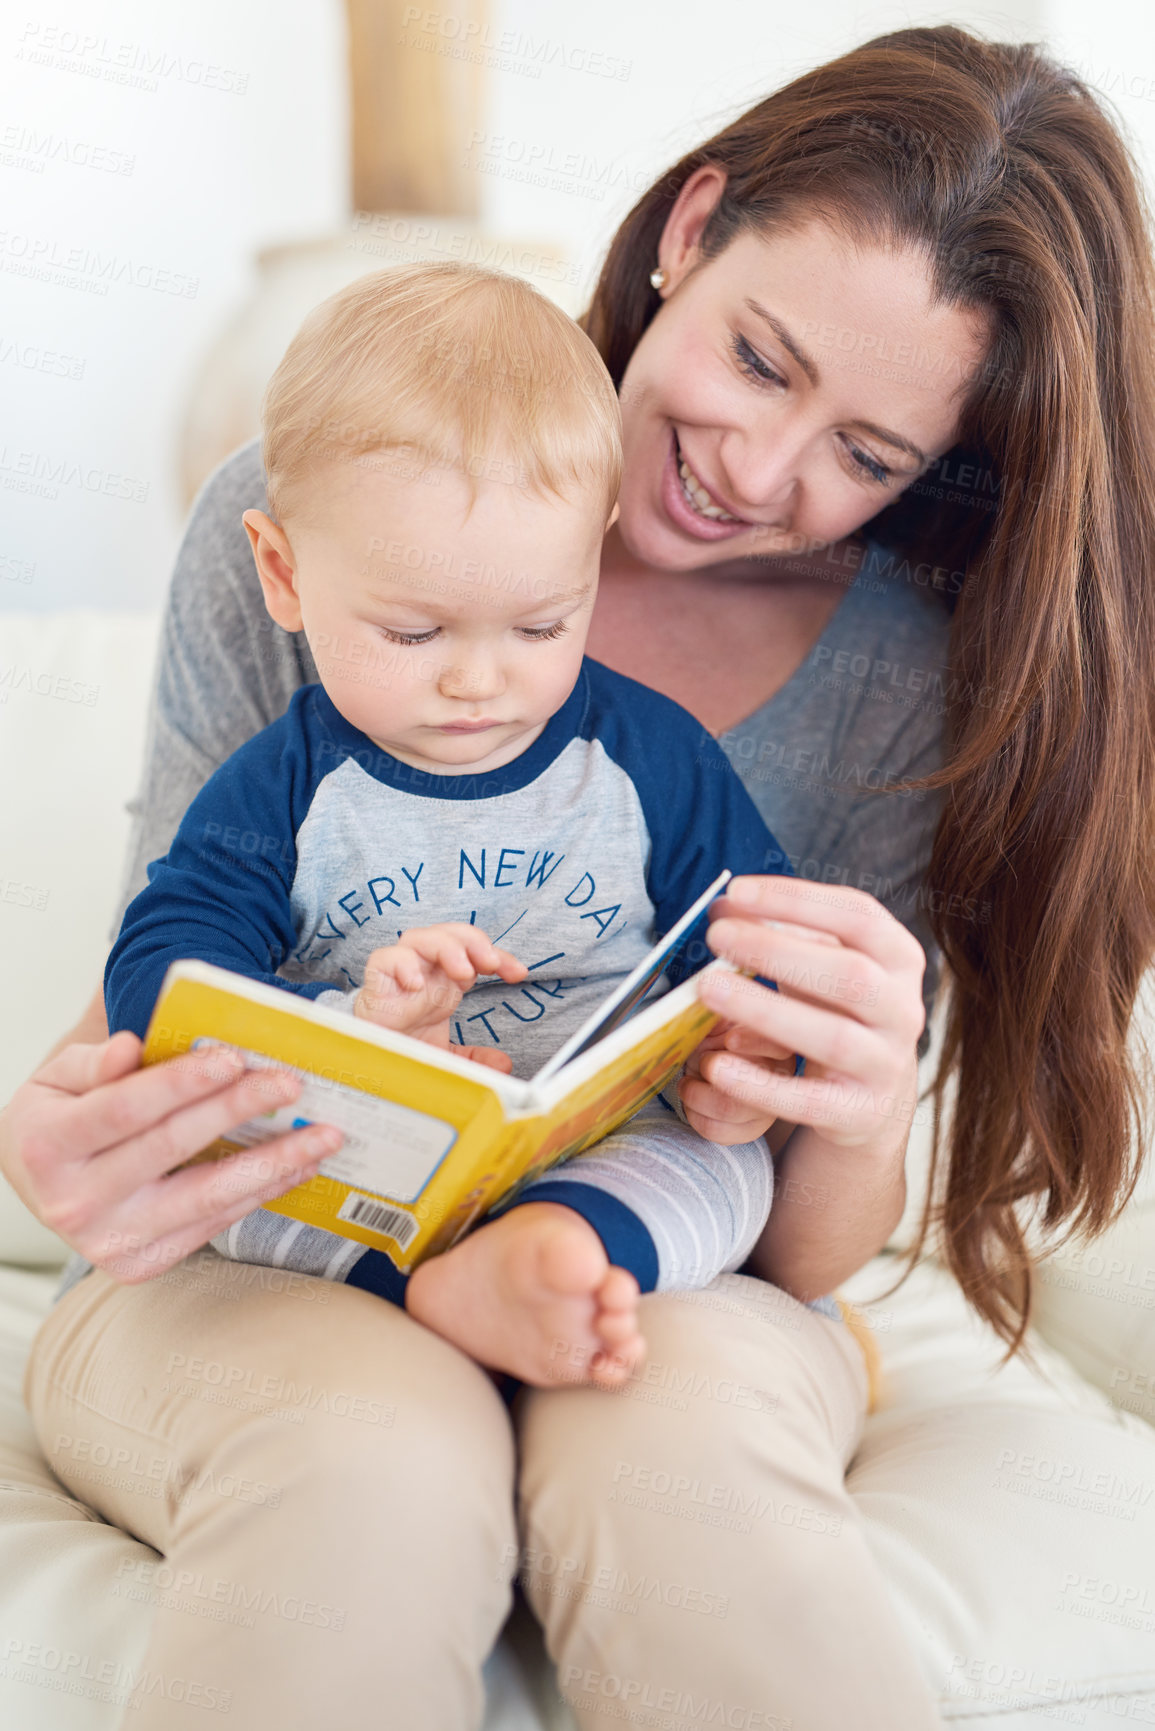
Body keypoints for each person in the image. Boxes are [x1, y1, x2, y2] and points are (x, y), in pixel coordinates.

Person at [8, 24, 1155, 1731]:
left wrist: (847, 1102)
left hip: (675, 1267)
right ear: (692, 228)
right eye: (760, 361)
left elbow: (803, 1253)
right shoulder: (320, 511)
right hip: (269, 1262)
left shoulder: (899, 674)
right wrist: (64, 1129)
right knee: (366, 1468)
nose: (764, 477)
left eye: (870, 455)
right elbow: (170, 976)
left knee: (687, 1475)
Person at [102, 261, 797, 1391]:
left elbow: (762, 926)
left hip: (593, 1145)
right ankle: (425, 1290)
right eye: (415, 634)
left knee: (723, 1175)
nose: (480, 681)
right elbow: (159, 971)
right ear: (283, 573)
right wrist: (347, 1026)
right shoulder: (285, 782)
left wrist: (752, 1039)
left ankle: (549, 1256)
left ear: (593, 558)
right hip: (366, 1154)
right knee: (233, 1196)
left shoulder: (651, 759)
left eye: (539, 623)